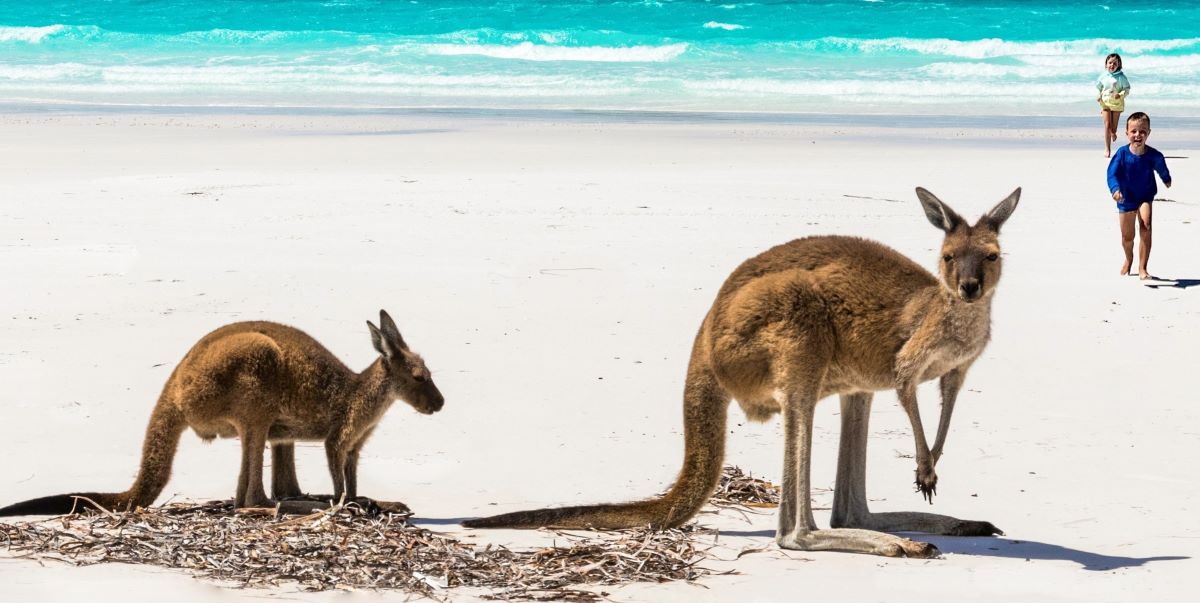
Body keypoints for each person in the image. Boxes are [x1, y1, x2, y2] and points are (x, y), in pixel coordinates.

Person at [1107, 112, 1171, 280]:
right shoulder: (1121, 154)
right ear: (1127, 133)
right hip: (1125, 198)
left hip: (1144, 197)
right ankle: (1129, 259)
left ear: (1148, 133)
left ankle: (1143, 268)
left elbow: (1160, 164)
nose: (1138, 135)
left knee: (1146, 226)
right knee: (1127, 237)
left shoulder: (1153, 155)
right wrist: (1115, 189)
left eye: (1142, 131)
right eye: (1134, 131)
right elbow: (1111, 173)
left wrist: (1166, 178)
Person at [1097, 53, 1131, 158]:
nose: (1112, 65)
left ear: (1119, 65)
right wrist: (1099, 96)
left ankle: (1113, 132)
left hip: (1116, 104)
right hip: (1105, 103)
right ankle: (1107, 149)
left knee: (1113, 128)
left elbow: (1127, 89)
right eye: (1110, 63)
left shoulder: (1121, 77)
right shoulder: (1103, 76)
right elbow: (1099, 87)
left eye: (1115, 63)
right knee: (1107, 125)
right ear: (1106, 64)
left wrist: (1120, 94)